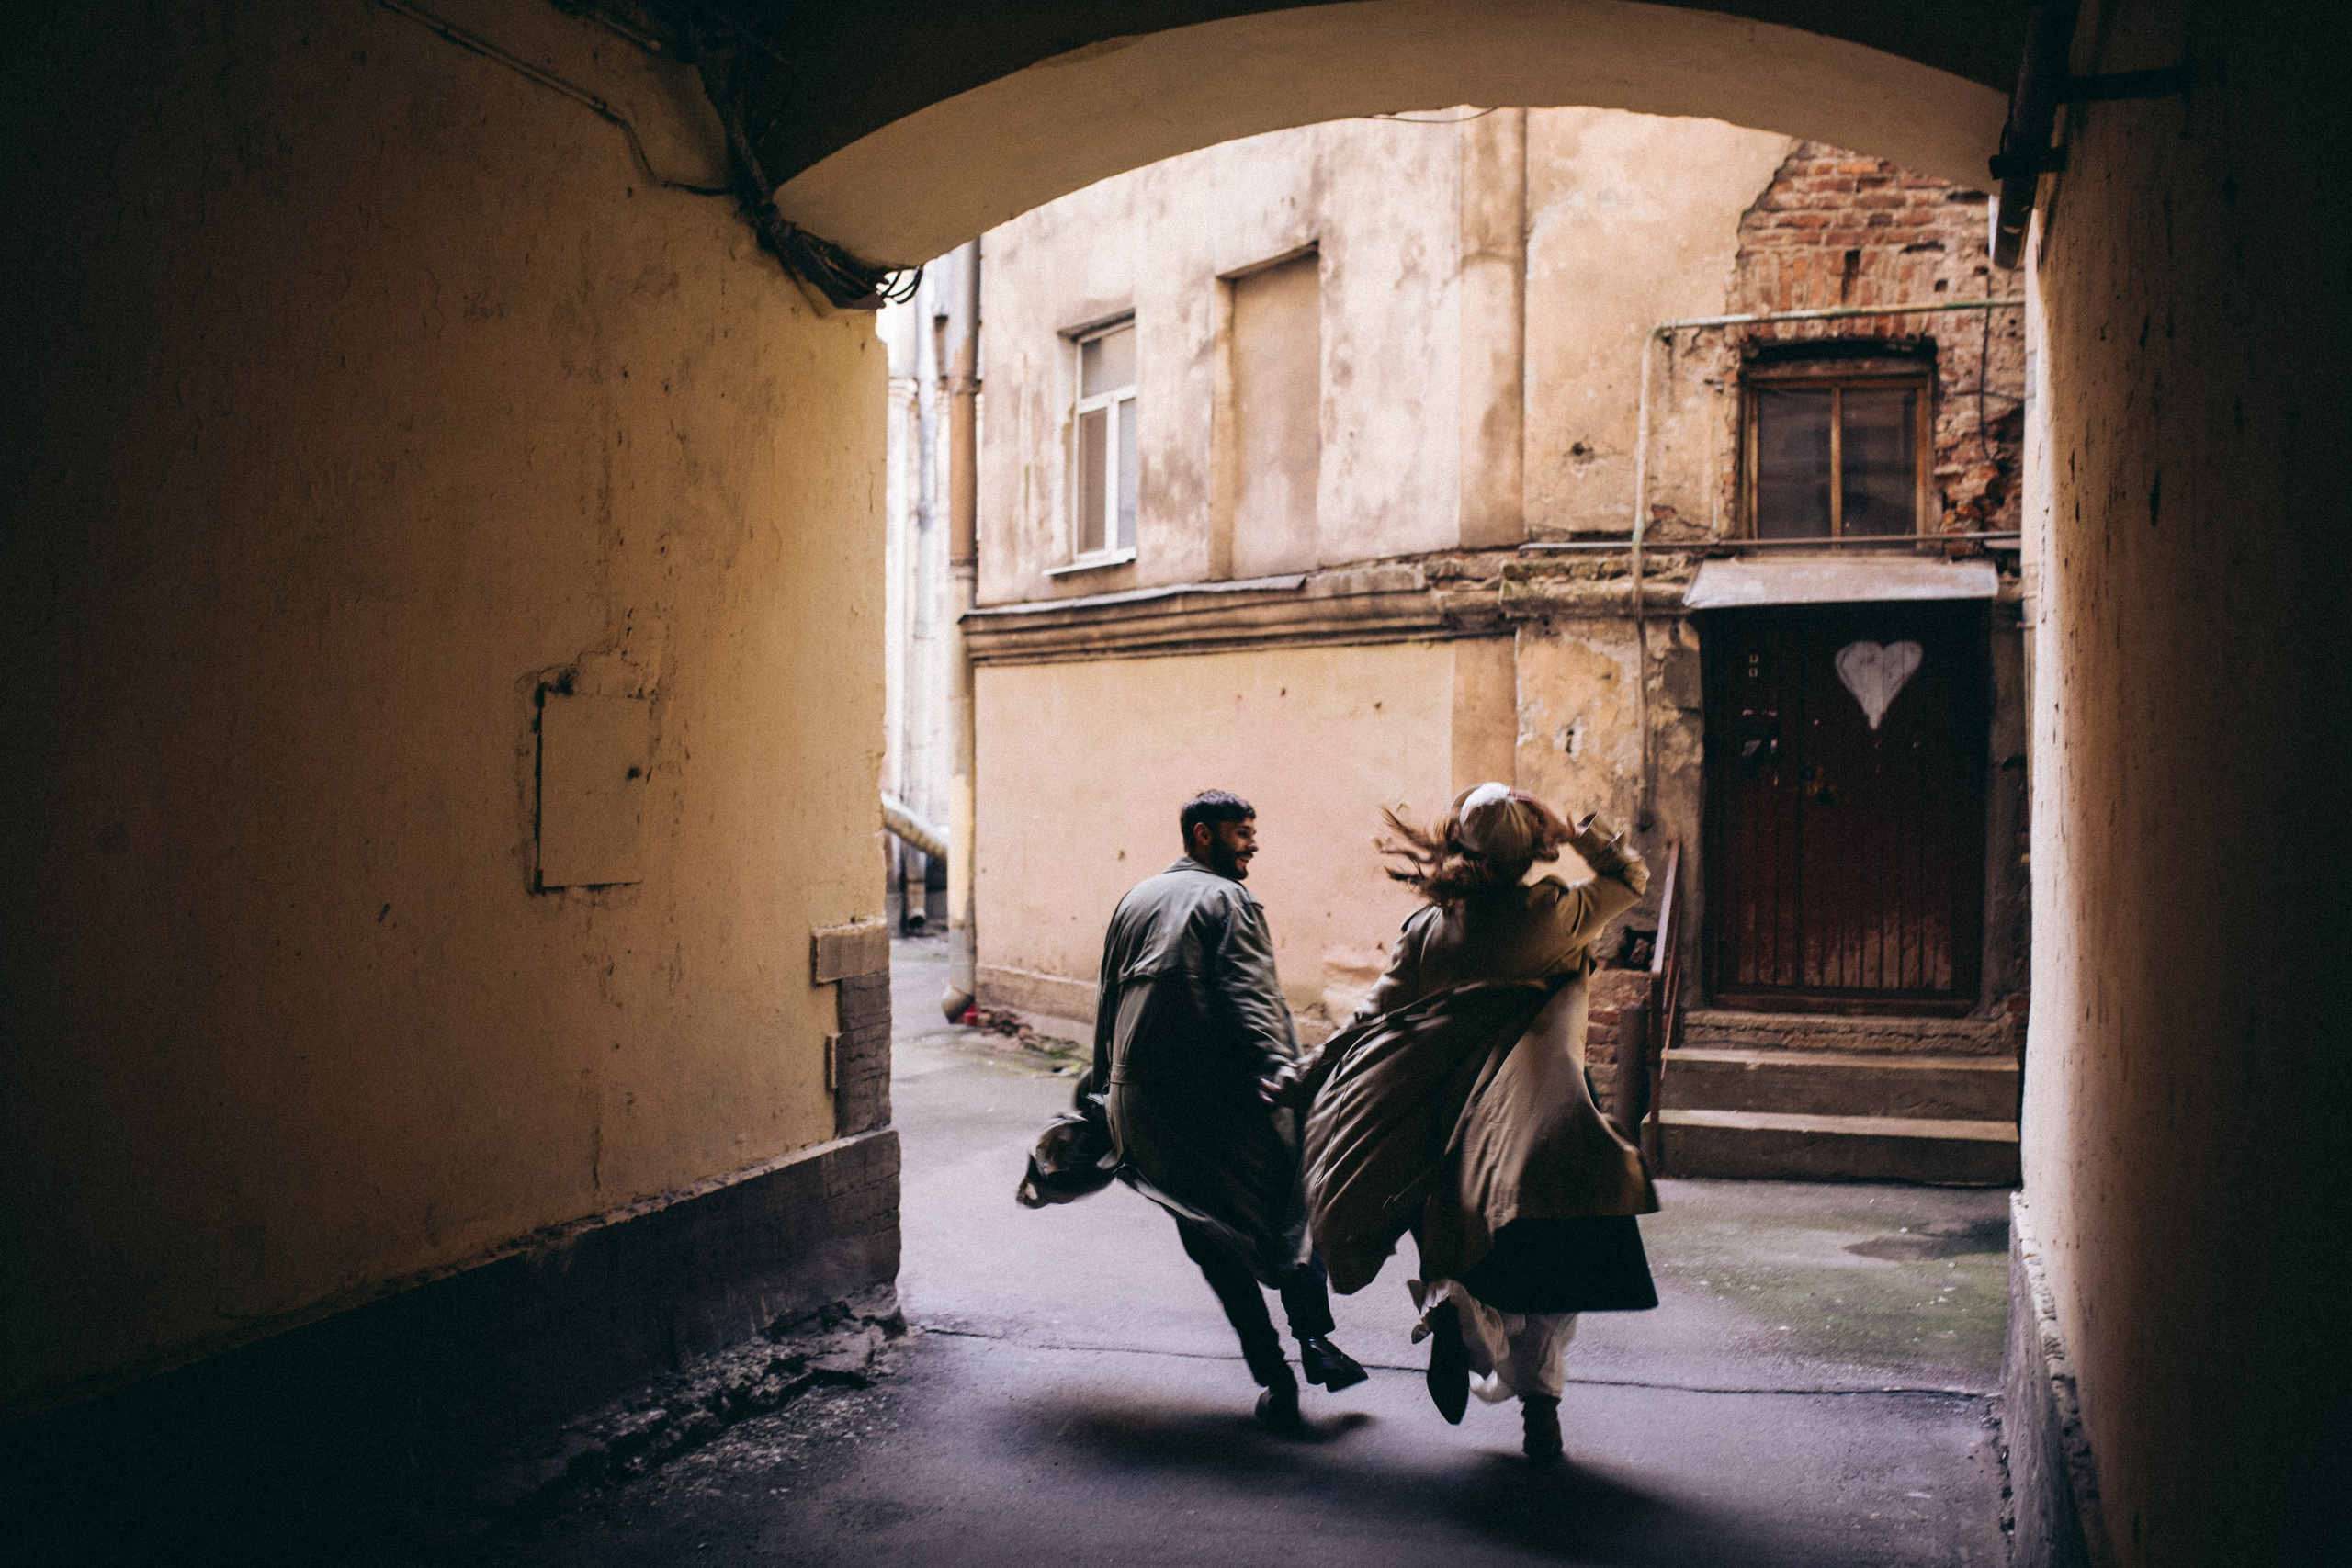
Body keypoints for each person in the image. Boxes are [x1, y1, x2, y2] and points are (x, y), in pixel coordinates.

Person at [1279, 784, 1658, 1463]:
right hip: (1545, 1119)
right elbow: (1632, 875)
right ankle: (1542, 1411)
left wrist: (1309, 1067)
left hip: (1451, 1132)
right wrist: (1576, 830)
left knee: (1465, 1251)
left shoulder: (1430, 931)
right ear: (1530, 850)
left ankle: (1453, 1310)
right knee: (1553, 1272)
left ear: (1460, 847)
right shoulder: (1558, 912)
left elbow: (1372, 1016)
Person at [1087, 789, 1366, 1430]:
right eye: (1242, 833)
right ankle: (1315, 1341)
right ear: (1204, 835)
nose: (1254, 844)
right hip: (1218, 1102)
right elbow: (1252, 1001)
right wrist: (1288, 1081)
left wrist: (1104, 1093)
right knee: (1290, 1207)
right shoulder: (1229, 900)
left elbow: (1107, 1003)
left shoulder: (1135, 898)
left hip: (1143, 1111)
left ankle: (1273, 1374)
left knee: (1206, 1233)